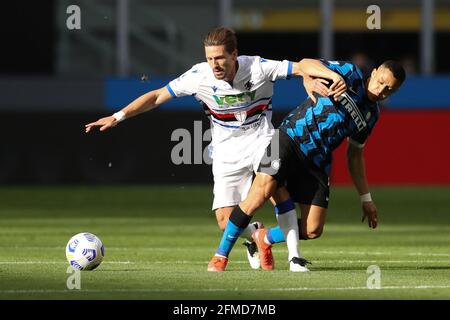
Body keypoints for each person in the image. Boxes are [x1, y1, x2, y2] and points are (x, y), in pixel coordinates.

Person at [85, 26, 346, 271]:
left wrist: (310, 77)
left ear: (235, 54)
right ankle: (258, 235)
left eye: (220, 58)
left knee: (273, 188)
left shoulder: (257, 67)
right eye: (210, 58)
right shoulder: (199, 77)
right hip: (226, 151)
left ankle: (294, 258)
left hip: (262, 139)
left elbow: (302, 65)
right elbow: (156, 96)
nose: (215, 64)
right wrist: (118, 116)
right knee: (225, 221)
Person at [207, 59, 406, 272]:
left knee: (312, 229)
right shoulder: (350, 73)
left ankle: (263, 237)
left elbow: (355, 156)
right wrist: (332, 76)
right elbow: (306, 63)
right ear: (374, 72)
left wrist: (366, 198)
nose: (381, 90)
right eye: (381, 82)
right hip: (288, 137)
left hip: (318, 160)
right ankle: (220, 256)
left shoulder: (372, 115)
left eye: (389, 90)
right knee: (259, 194)